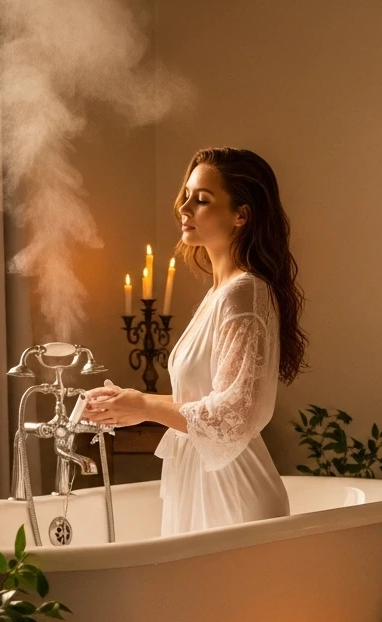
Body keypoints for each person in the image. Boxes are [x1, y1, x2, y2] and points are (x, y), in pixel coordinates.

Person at [82, 148, 307, 536]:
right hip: (202, 483)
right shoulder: (222, 294)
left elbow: (235, 414)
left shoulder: (245, 294)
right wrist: (136, 404)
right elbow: (208, 398)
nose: (183, 208)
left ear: (242, 215)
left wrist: (147, 405)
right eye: (186, 195)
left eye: (201, 199)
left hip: (232, 495)